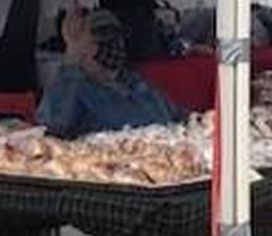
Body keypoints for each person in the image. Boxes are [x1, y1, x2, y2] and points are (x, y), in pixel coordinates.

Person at [37, 8, 180, 139]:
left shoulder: (138, 83)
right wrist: (71, 58)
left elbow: (178, 117)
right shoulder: (73, 91)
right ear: (82, 48)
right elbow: (52, 129)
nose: (114, 45)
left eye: (118, 38)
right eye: (103, 39)